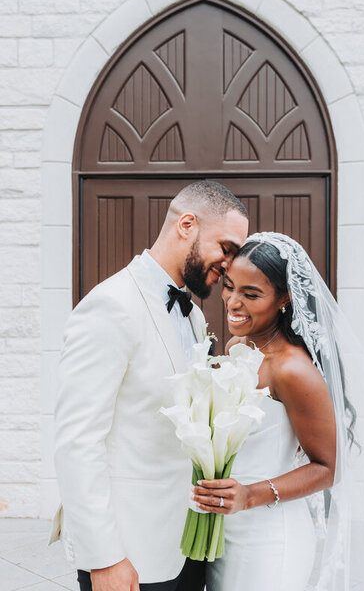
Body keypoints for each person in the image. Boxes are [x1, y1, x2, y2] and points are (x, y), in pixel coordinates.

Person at [48, 180, 249, 591]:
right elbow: (77, 441)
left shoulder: (192, 314)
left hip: (188, 546)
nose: (229, 265)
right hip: (129, 554)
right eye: (226, 248)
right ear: (187, 224)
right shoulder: (111, 305)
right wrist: (105, 559)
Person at [192, 232, 364, 591]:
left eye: (251, 295)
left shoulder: (292, 370)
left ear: (284, 298)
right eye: (229, 287)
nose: (233, 302)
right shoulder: (239, 346)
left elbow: (330, 467)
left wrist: (251, 495)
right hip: (225, 531)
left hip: (269, 539)